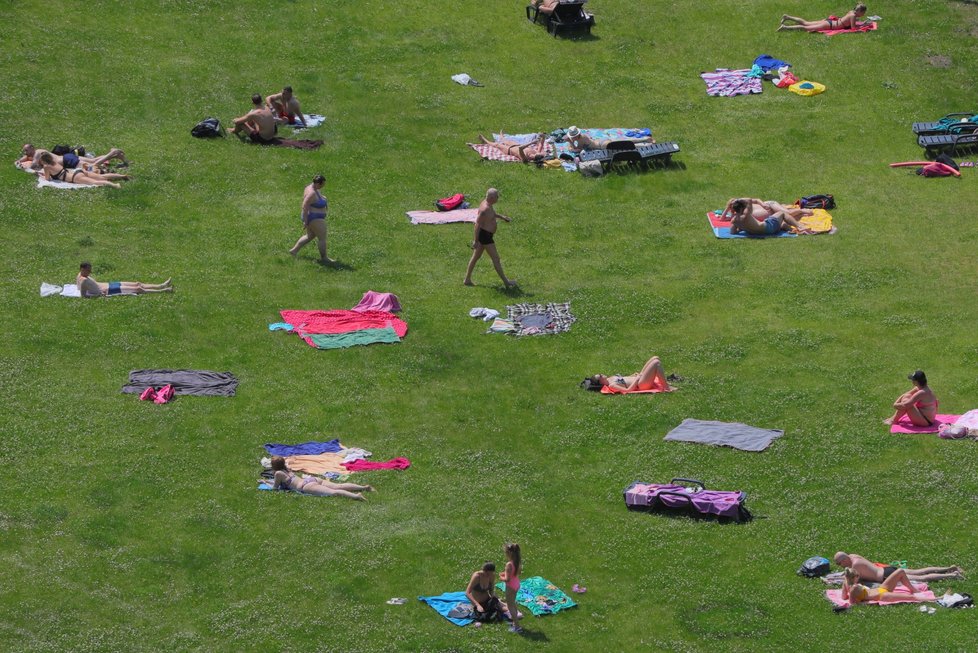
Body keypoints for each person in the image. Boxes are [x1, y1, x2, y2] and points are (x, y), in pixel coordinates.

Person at [463, 188, 517, 288]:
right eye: (497, 196)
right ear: (492, 198)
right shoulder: (485, 209)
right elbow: (477, 225)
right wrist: (475, 240)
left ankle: (467, 280)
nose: (498, 198)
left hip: (485, 235)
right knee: (496, 258)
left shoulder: (488, 204)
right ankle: (506, 282)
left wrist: (502, 217)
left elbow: (491, 215)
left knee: (475, 257)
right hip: (485, 237)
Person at [267, 456, 374, 501]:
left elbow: (275, 488)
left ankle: (356, 496)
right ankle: (364, 487)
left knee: (333, 492)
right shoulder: (287, 469)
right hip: (313, 480)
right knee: (338, 486)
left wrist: (266, 483)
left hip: (306, 486)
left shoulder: (278, 473)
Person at [834, 552, 963, 583]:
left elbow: (855, 579)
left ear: (844, 559)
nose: (841, 566)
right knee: (920, 571)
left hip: (885, 576)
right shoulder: (853, 556)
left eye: (840, 563)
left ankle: (952, 575)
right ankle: (949, 568)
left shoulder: (855, 565)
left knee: (921, 578)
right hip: (888, 569)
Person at [289, 174, 334, 263]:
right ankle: (324, 258)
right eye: (322, 185)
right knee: (322, 238)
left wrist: (323, 198)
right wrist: (305, 221)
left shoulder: (312, 187)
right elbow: (305, 205)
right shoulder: (312, 193)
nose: (323, 186)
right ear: (318, 184)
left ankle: (293, 251)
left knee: (310, 236)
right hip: (314, 217)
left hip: (312, 216)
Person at [76, 262, 172, 297]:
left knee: (137, 283)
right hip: (108, 290)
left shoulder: (81, 275)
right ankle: (163, 290)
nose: (90, 272)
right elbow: (83, 295)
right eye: (88, 270)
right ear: (82, 269)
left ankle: (161, 285)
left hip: (109, 284)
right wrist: (99, 294)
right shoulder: (83, 280)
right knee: (138, 289)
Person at [37, 153, 130, 188]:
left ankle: (115, 185)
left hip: (74, 177)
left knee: (96, 182)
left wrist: (42, 176)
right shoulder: (55, 162)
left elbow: (47, 179)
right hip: (78, 171)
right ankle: (121, 176)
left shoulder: (46, 167)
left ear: (43, 160)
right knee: (101, 176)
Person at [726, 198, 814, 235]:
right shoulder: (745, 215)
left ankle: (792, 229)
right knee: (782, 213)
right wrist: (738, 200)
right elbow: (749, 199)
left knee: (780, 222)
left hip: (761, 232)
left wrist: (744, 228)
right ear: (742, 208)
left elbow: (732, 232)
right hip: (768, 228)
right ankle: (801, 227)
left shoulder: (734, 220)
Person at [841, 567, 927, 605]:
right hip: (881, 596)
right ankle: (935, 599)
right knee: (910, 597)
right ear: (854, 577)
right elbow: (852, 603)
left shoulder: (846, 582)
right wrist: (864, 601)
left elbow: (844, 597)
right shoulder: (854, 588)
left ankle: (914, 589)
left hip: (881, 589)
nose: (859, 578)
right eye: (858, 576)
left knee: (900, 571)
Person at [589, 356, 675, 392]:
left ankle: (663, 381)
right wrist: (637, 379)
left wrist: (632, 376)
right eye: (600, 375)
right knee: (656, 363)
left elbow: (624, 380)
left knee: (655, 357)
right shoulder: (612, 385)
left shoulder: (610, 378)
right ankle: (666, 387)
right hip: (640, 384)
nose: (601, 374)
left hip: (638, 378)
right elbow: (628, 390)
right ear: (601, 381)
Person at [16, 144, 129, 171]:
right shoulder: (39, 151)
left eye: (26, 150)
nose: (25, 152)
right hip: (67, 157)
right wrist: (20, 160)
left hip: (67, 161)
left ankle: (111, 153)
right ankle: (119, 157)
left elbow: (34, 166)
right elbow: (26, 158)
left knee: (93, 165)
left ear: (32, 148)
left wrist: (23, 166)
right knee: (93, 160)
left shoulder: (36, 154)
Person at [778, 3, 867, 32]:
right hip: (829, 25)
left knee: (806, 23)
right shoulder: (853, 16)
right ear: (860, 11)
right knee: (806, 28)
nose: (863, 14)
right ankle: (785, 27)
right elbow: (853, 28)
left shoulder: (851, 12)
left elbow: (850, 20)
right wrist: (862, 26)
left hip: (829, 21)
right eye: (863, 13)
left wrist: (861, 22)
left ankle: (787, 17)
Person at [564, 125, 656, 153]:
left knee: (625, 147)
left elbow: (577, 149)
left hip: (602, 145)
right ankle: (646, 139)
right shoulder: (582, 136)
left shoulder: (581, 139)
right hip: (603, 140)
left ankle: (648, 145)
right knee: (625, 142)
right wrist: (571, 142)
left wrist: (570, 143)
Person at [720, 197, 812, 221]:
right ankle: (800, 214)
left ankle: (801, 210)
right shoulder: (737, 215)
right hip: (771, 214)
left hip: (769, 205)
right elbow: (722, 219)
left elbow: (756, 200)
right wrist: (727, 208)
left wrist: (763, 205)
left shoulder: (745, 204)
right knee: (787, 218)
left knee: (788, 213)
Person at [499, 543, 523, 634]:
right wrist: (506, 573)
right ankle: (514, 622)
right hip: (516, 584)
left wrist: (501, 577)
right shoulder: (518, 562)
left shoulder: (509, 564)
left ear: (509, 553)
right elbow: (517, 573)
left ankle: (517, 627)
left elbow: (507, 579)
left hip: (510, 586)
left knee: (510, 606)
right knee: (513, 604)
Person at [477, 133, 549, 163]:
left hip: (509, 150)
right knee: (506, 141)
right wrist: (543, 136)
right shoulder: (536, 153)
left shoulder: (525, 158)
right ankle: (501, 137)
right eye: (534, 155)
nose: (532, 155)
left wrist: (531, 143)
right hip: (516, 145)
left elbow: (521, 149)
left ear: (534, 158)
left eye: (533, 156)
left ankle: (485, 141)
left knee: (497, 145)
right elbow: (541, 145)